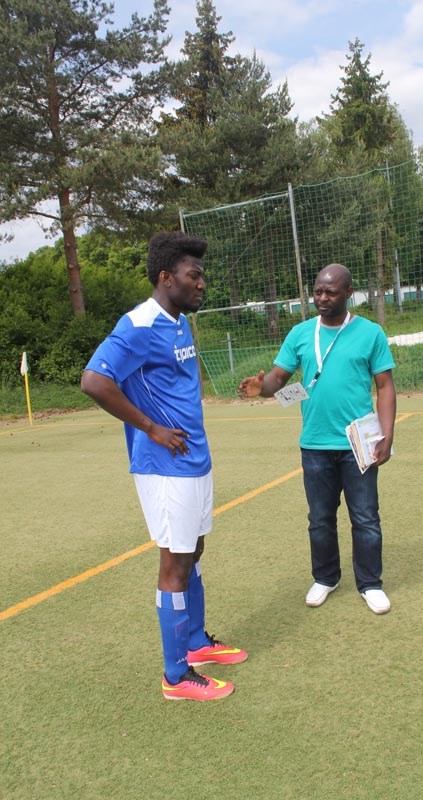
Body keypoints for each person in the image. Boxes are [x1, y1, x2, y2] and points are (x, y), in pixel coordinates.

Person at [81, 230, 247, 702]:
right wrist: (151, 428)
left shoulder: (179, 322)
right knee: (174, 562)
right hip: (164, 464)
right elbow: (94, 381)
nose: (202, 284)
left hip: (193, 459)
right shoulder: (138, 324)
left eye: (202, 275)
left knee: (194, 549)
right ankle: (176, 676)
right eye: (194, 276)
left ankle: (195, 643)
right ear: (166, 278)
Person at [238, 263, 396, 615]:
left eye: (331, 292)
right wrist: (261, 387)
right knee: (320, 519)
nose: (322, 298)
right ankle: (325, 578)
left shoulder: (370, 333)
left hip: (358, 445)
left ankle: (370, 583)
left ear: (348, 293)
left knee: (365, 517)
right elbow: (278, 379)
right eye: (318, 292)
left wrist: (386, 434)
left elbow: (385, 387)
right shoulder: (300, 334)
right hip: (315, 445)